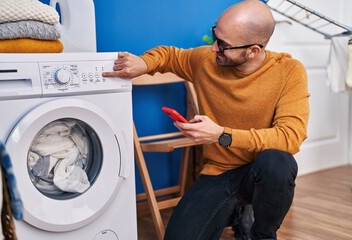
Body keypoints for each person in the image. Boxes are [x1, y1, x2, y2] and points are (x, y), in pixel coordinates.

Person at [103, 0, 310, 239]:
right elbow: (169, 55)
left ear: (253, 50)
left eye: (223, 45)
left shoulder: (289, 71)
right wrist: (143, 62)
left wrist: (222, 134)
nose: (214, 49)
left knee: (278, 162)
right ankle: (235, 211)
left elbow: (290, 137)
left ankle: (261, 234)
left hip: (259, 173)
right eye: (215, 36)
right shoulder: (206, 61)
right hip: (219, 172)